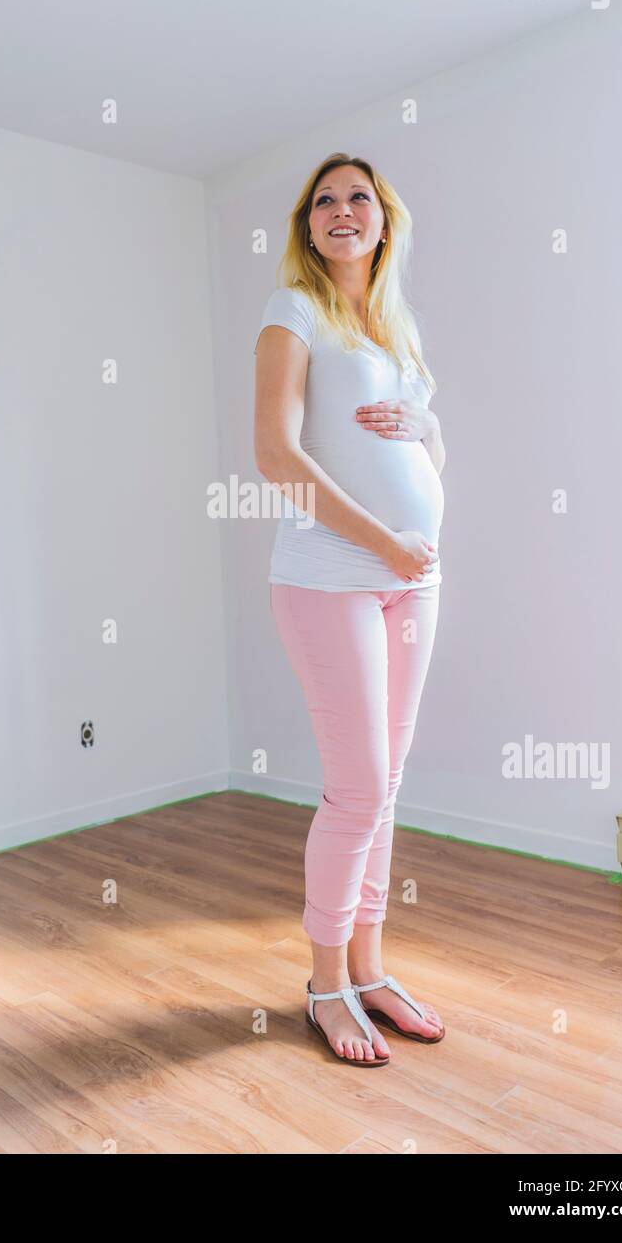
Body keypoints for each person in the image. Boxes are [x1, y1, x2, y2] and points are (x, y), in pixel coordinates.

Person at [253, 152, 446, 1066]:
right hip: (330, 574)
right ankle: (326, 983)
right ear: (308, 225)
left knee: (388, 785)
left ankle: (370, 970)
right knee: (358, 788)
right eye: (323, 200)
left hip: (414, 579)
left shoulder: (396, 330)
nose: (341, 209)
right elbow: (275, 455)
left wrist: (427, 428)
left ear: (383, 219)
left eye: (357, 197)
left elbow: (428, 452)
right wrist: (384, 541)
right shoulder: (294, 311)